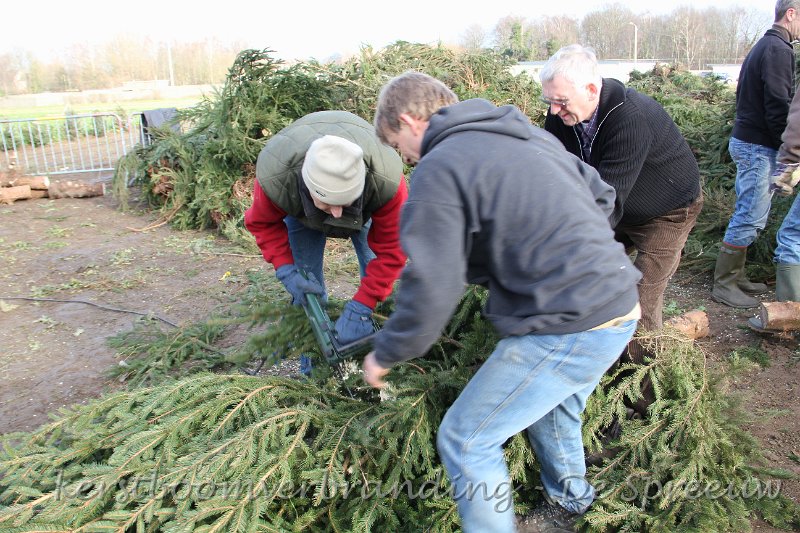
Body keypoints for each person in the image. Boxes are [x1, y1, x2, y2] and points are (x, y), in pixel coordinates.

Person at [362, 71, 641, 533]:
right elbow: (603, 197)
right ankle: (571, 504)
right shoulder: (524, 134)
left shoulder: (441, 165)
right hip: (619, 303)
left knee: (466, 439)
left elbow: (434, 282)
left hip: (567, 322)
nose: (407, 159)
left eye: (398, 145)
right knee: (554, 407)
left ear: (411, 120)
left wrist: (387, 351)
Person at [540, 43, 703, 337]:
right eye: (549, 101)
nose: (554, 110)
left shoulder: (629, 118)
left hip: (667, 210)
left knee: (640, 301)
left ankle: (639, 375)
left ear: (591, 90)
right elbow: (554, 175)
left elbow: (607, 201)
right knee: (577, 278)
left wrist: (573, 247)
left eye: (561, 101)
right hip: (621, 204)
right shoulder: (560, 116)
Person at [244, 110, 408, 344]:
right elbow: (263, 224)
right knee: (306, 278)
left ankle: (372, 326)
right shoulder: (277, 178)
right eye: (329, 204)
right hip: (300, 207)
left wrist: (364, 303)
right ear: (309, 187)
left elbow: (392, 251)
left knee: (374, 265)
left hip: (366, 206)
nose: (337, 214)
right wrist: (285, 269)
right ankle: (312, 344)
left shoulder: (385, 182)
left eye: (345, 202)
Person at [711, 0, 800, 308]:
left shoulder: (767, 44)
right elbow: (779, 105)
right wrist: (788, 150)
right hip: (757, 146)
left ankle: (737, 276)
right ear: (791, 14)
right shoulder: (778, 50)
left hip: (752, 142)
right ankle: (725, 284)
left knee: (751, 211)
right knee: (751, 213)